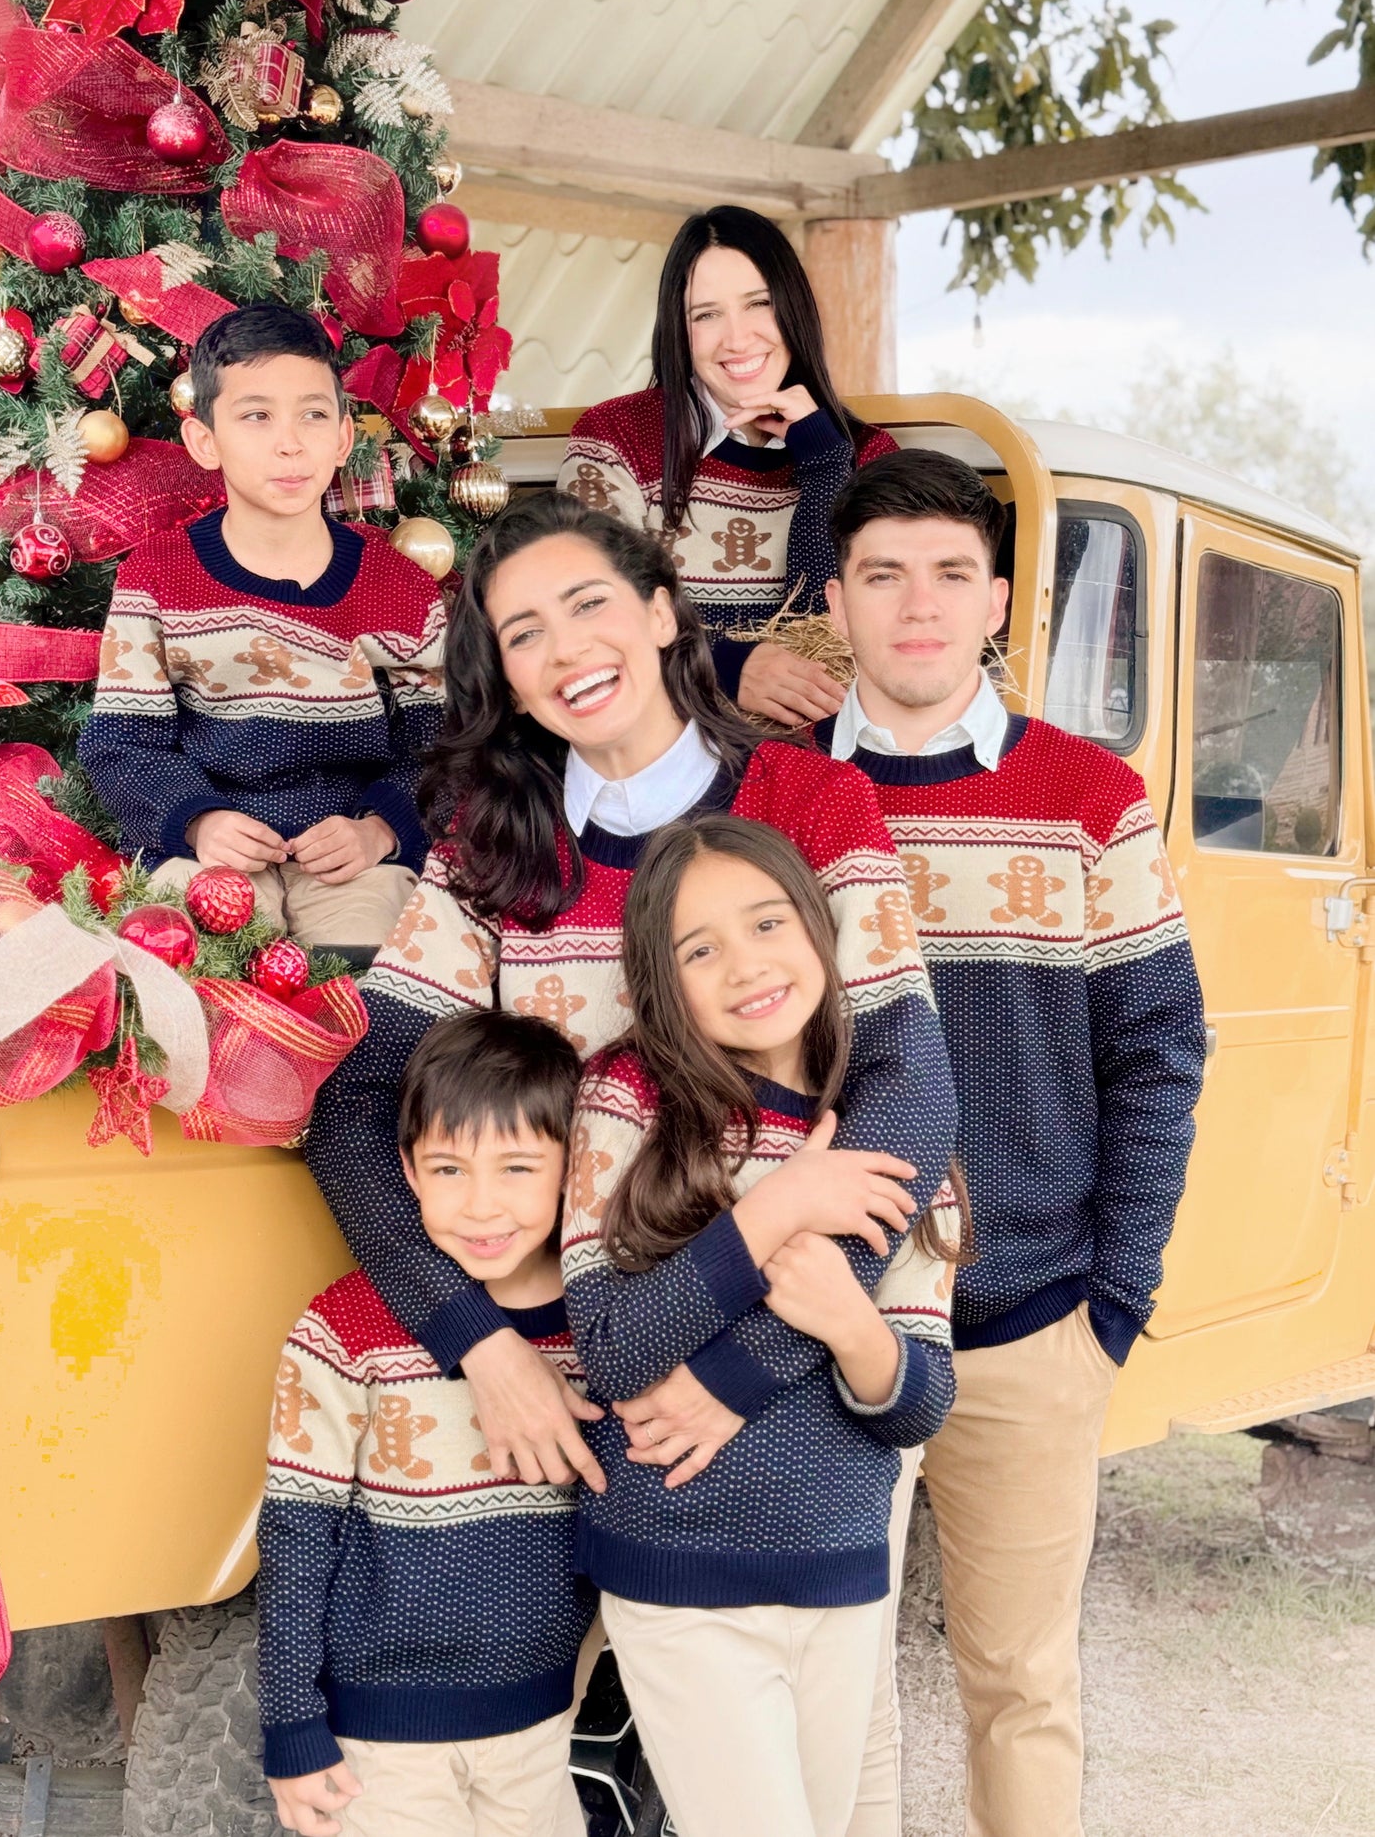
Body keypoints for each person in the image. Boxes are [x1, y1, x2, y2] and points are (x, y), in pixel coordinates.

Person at [304, 489, 957, 1504]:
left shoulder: (807, 801)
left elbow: (905, 1087)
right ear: (509, 684)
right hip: (551, 1389)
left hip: (781, 1366)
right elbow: (353, 1110)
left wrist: (741, 1368)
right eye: (525, 634)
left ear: (659, 614)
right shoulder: (490, 848)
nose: (566, 650)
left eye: (589, 605)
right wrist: (483, 1346)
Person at [816, 449, 1206, 1837]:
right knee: (824, 1683)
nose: (915, 605)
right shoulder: (776, 802)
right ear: (836, 602)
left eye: (947, 572)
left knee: (1019, 1678)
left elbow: (1159, 1051)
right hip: (816, 1326)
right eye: (881, 575)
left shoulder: (1091, 796)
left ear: (995, 600)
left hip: (1032, 1323)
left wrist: (1114, 1300)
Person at [563, 815, 963, 1837]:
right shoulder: (629, 1100)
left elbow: (919, 1398)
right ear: (661, 979)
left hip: (835, 1572)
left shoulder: (886, 1134)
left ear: (821, 938)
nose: (745, 965)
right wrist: (778, 1207)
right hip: (681, 1574)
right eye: (700, 949)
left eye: (767, 923)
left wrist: (845, 1323)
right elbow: (611, 1345)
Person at [256, 1008, 597, 1837]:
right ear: (406, 1170)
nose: (481, 1205)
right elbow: (297, 1537)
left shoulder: (600, 1328)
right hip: (379, 1745)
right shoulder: (346, 1331)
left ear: (572, 1171)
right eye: (448, 1168)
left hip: (541, 1726)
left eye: (517, 1167)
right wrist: (290, 1726)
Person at [79, 302, 445, 950]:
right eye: (256, 416)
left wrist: (381, 828)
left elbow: (444, 742)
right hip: (210, 850)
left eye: (312, 413)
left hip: (347, 850)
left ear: (341, 437)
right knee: (195, 963)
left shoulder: (400, 586)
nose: (289, 441)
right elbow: (121, 743)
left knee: (385, 969)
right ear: (204, 441)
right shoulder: (157, 574)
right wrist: (198, 820)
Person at [556, 205, 897, 727]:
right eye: (706, 314)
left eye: (758, 303)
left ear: (793, 307)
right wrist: (726, 666)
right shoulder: (616, 438)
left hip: (819, 764)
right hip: (664, 755)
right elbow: (586, 616)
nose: (736, 339)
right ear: (679, 327)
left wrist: (826, 467)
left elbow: (834, 631)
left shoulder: (868, 456)